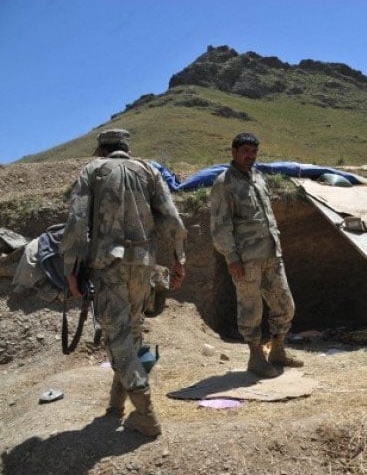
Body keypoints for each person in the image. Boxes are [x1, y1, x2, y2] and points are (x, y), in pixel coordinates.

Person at [61, 128, 187, 437]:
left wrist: (70, 268)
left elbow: (77, 223)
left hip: (109, 266)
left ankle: (146, 413)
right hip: (143, 265)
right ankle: (116, 406)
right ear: (126, 148)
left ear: (101, 150)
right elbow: (171, 218)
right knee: (129, 333)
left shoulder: (93, 170)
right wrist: (178, 259)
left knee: (118, 337)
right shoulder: (148, 171)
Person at [209, 133, 303, 378]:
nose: (249, 156)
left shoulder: (259, 178)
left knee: (285, 305)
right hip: (246, 260)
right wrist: (231, 258)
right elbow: (220, 226)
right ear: (233, 151)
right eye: (245, 151)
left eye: (253, 152)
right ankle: (255, 357)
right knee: (250, 310)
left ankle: (278, 350)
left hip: (272, 255)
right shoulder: (224, 183)